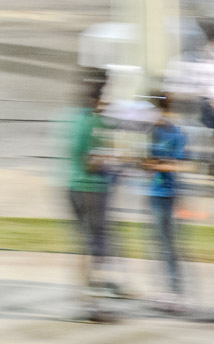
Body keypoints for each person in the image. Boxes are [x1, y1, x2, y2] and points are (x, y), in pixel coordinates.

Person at [66, 68, 116, 319]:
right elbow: (89, 160)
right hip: (91, 188)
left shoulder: (75, 117)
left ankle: (86, 299)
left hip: (75, 185)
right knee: (96, 248)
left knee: (86, 246)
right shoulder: (93, 122)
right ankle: (92, 303)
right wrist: (112, 160)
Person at [143, 92, 189, 311]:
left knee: (169, 246)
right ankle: (165, 291)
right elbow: (144, 162)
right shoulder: (152, 132)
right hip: (153, 193)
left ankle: (175, 292)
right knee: (158, 245)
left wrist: (157, 164)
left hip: (167, 194)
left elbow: (179, 164)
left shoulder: (174, 133)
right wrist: (153, 164)